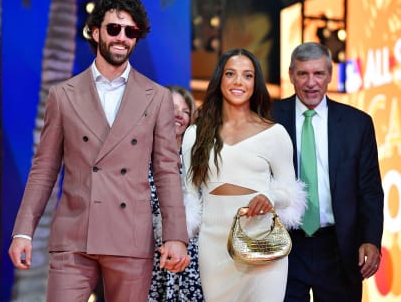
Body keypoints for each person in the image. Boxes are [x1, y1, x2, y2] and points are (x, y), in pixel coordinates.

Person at [8, 0, 190, 302]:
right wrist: (23, 231)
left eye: (130, 31)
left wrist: (176, 236)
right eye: (114, 29)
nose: (122, 38)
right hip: (75, 235)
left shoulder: (157, 97)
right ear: (96, 32)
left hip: (130, 237)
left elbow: (166, 171)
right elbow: (44, 169)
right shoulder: (63, 95)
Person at [182, 48, 307, 301]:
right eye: (231, 74)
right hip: (214, 248)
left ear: (255, 83)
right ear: (219, 80)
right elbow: (189, 196)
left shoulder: (275, 134)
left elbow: (291, 195)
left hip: (262, 243)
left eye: (247, 75)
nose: (239, 81)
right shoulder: (195, 135)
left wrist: (270, 197)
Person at [271, 42, 384, 301]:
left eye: (319, 74)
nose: (311, 82)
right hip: (284, 246)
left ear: (330, 75)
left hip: (339, 247)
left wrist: (371, 239)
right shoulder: (269, 117)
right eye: (303, 74)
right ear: (291, 75)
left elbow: (370, 190)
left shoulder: (358, 124)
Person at [149, 85, 204, 301]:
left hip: (192, 258)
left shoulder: (200, 157)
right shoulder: (140, 153)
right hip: (149, 254)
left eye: (185, 110)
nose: (178, 115)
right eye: (171, 108)